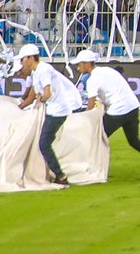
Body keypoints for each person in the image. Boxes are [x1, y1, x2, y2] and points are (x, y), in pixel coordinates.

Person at [73, 49, 140, 178]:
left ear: (87, 64)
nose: (78, 67)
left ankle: (92, 170)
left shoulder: (93, 79)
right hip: (132, 108)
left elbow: (91, 104)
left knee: (94, 138)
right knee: (134, 140)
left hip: (118, 111)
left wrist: (85, 120)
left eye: (79, 64)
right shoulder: (108, 70)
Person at [16, 43, 83, 185]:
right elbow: (32, 95)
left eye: (22, 59)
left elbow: (47, 93)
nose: (22, 63)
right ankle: (52, 171)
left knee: (44, 143)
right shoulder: (38, 71)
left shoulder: (43, 70)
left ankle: (60, 175)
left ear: (30, 58)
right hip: (54, 109)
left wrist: (42, 99)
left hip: (58, 110)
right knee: (45, 142)